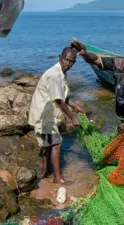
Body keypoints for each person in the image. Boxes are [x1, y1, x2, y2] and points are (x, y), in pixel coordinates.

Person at [70, 39, 124, 198]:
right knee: (122, 147)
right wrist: (83, 53)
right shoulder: (119, 64)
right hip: (122, 116)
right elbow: (96, 60)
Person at [28, 46, 86, 183]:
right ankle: (57, 177)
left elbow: (61, 96)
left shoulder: (62, 72)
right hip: (44, 114)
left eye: (71, 61)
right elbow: (59, 101)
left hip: (47, 112)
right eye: (66, 59)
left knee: (49, 143)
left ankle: (45, 170)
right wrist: (73, 117)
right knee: (56, 144)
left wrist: (75, 106)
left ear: (74, 62)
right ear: (60, 57)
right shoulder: (54, 75)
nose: (68, 63)